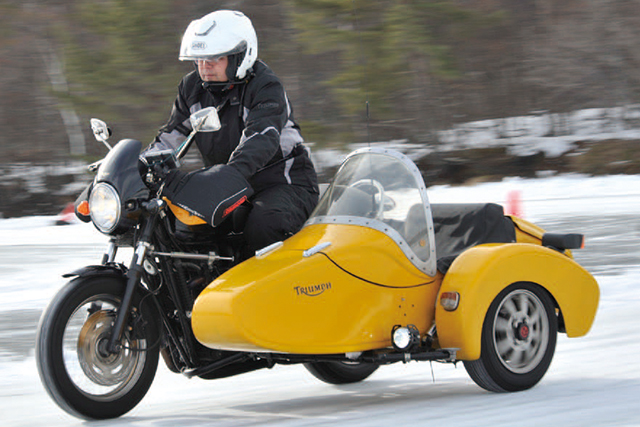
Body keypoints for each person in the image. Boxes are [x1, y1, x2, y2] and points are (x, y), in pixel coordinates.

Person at [145, 9, 319, 253]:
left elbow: (261, 138)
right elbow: (172, 135)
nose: (204, 66)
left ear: (240, 56)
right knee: (179, 229)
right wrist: (143, 165)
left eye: (214, 59)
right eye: (199, 59)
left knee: (264, 223)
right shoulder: (192, 88)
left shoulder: (265, 86)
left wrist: (227, 175)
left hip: (284, 184)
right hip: (227, 186)